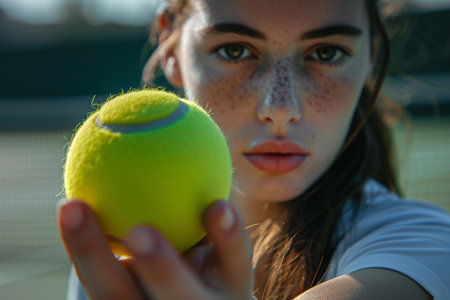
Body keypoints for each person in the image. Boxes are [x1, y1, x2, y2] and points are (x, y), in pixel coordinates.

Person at [58, 0, 450, 299]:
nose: (280, 109)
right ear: (171, 47)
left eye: (327, 53)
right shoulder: (119, 239)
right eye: (234, 51)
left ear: (372, 57)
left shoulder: (425, 246)